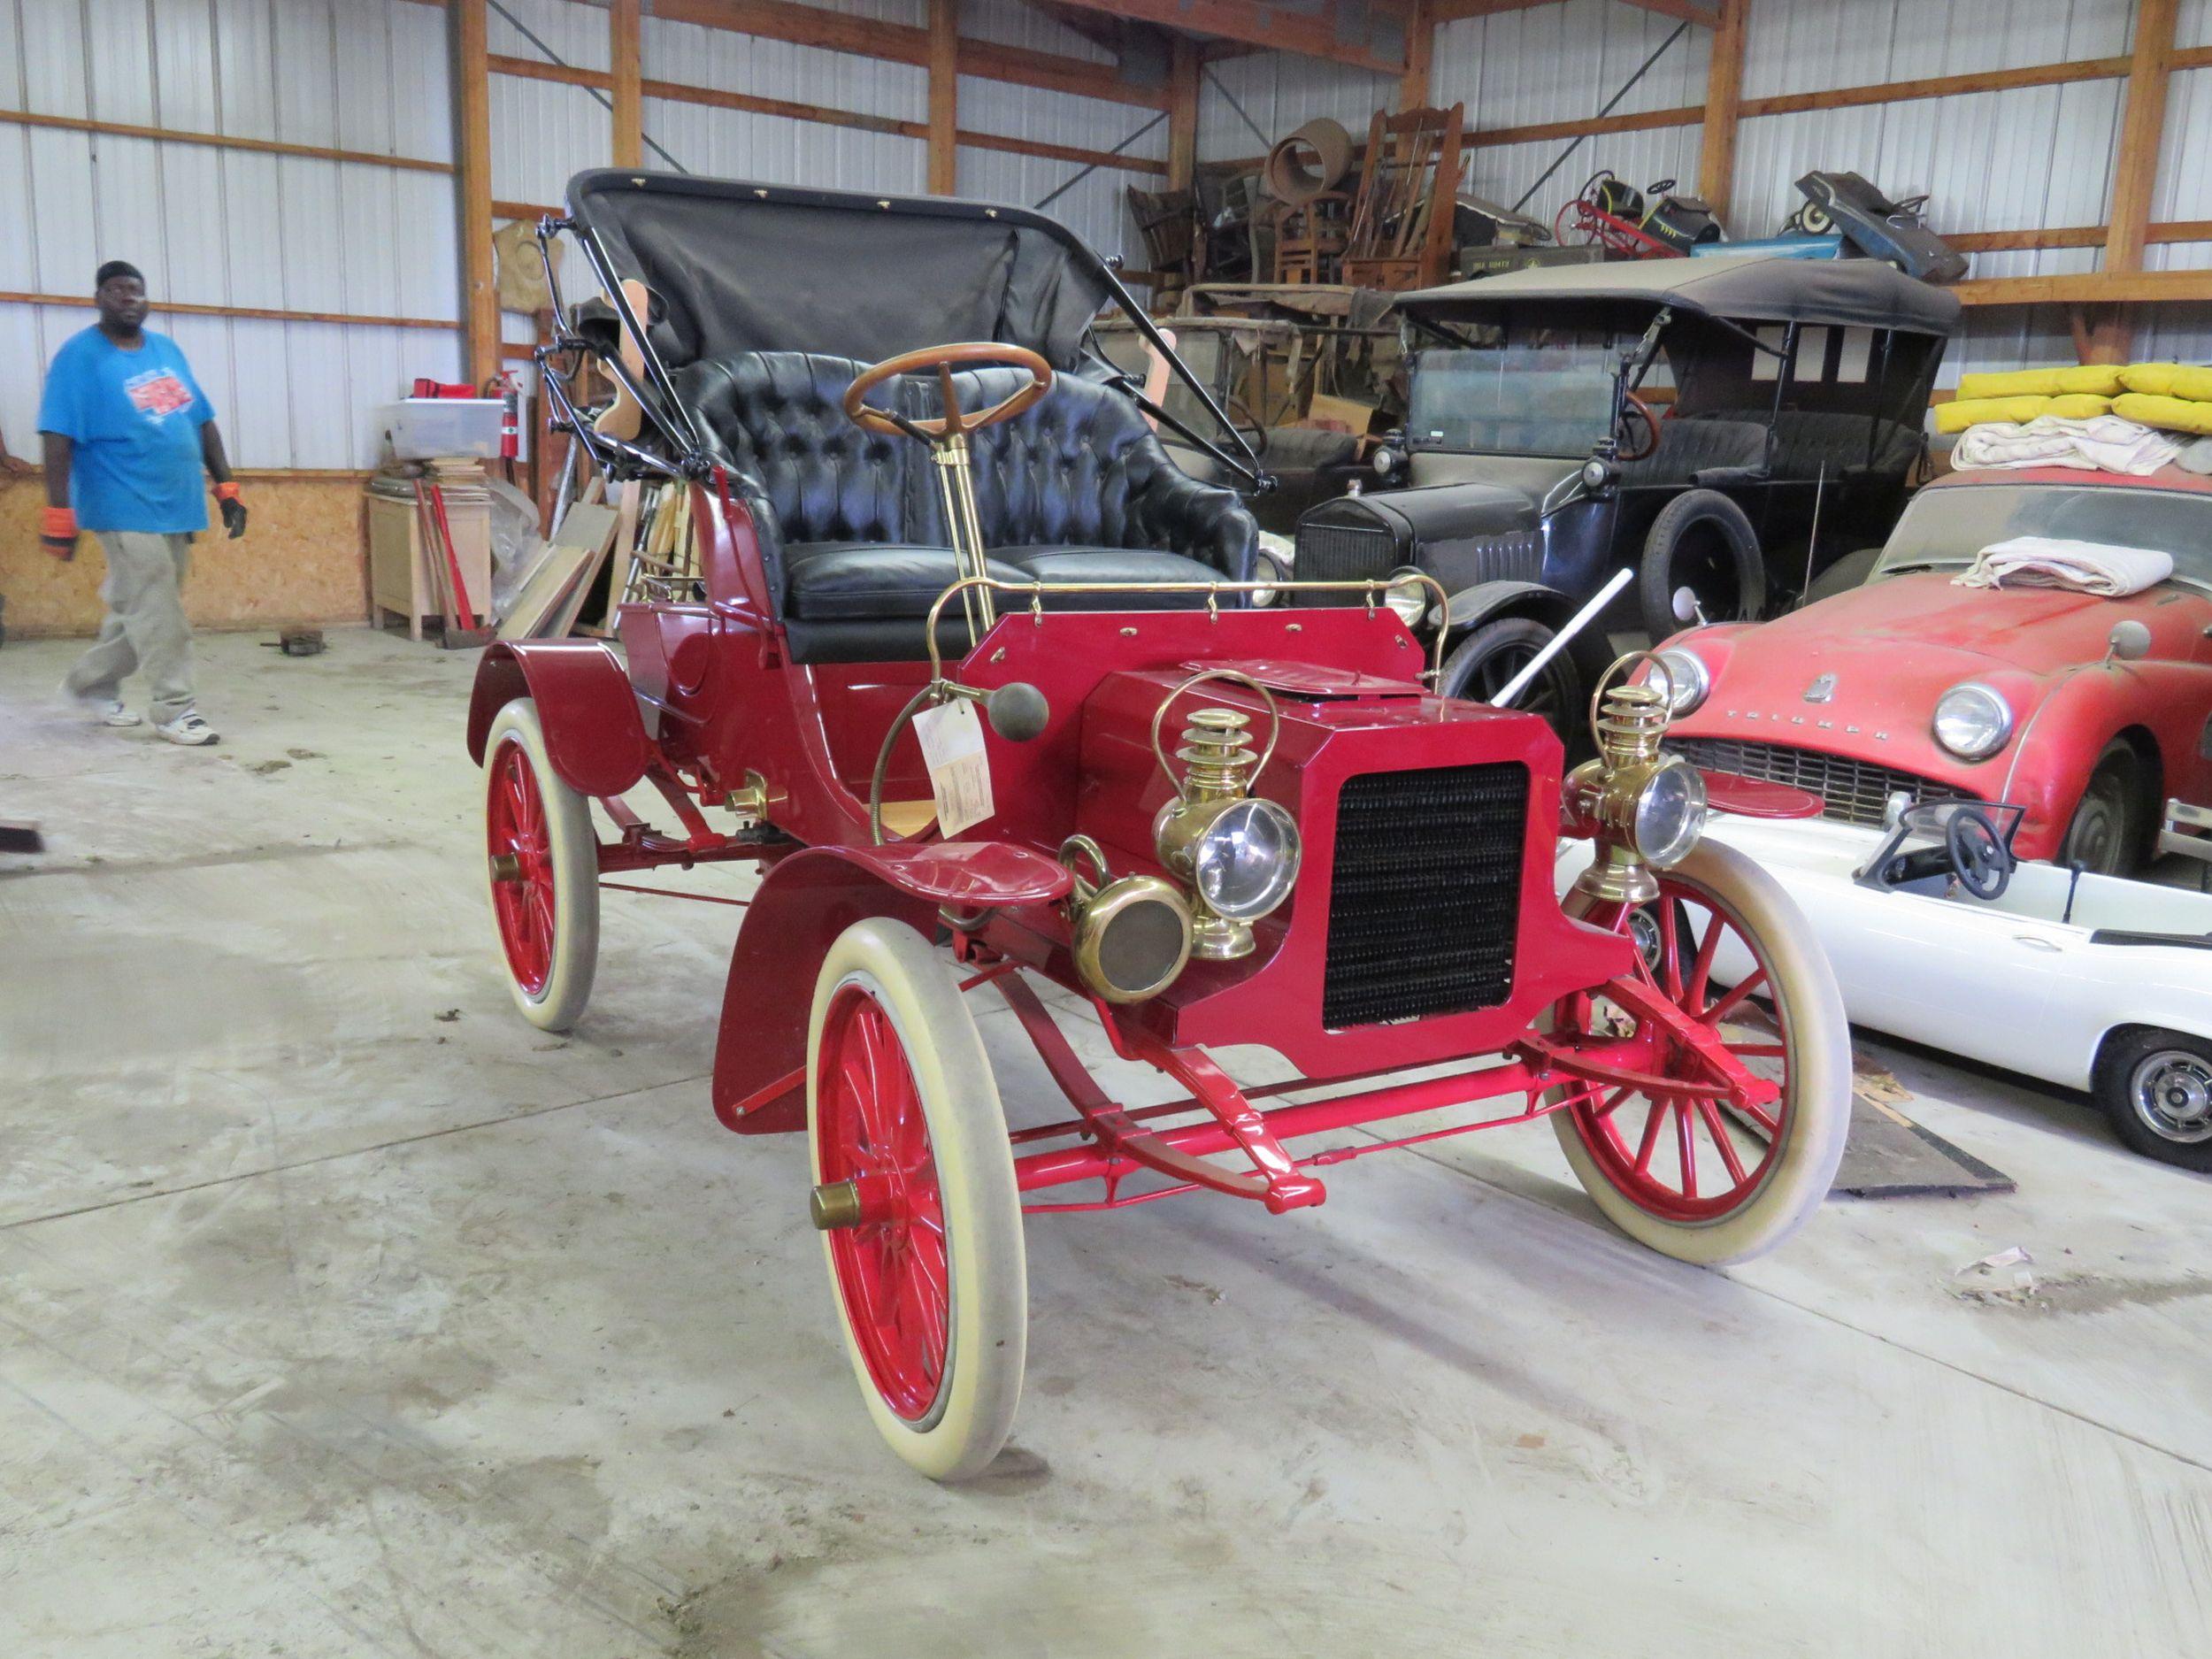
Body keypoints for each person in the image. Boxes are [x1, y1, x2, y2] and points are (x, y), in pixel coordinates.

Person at [38, 260, 248, 746]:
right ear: (98, 298)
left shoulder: (166, 350)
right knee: (158, 608)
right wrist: (58, 511)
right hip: (119, 500)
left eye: (136, 290)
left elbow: (202, 421)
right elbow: (56, 434)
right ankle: (175, 708)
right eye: (117, 290)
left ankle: (88, 685)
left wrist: (227, 488)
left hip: (176, 502)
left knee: (143, 605)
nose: (129, 298)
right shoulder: (80, 358)